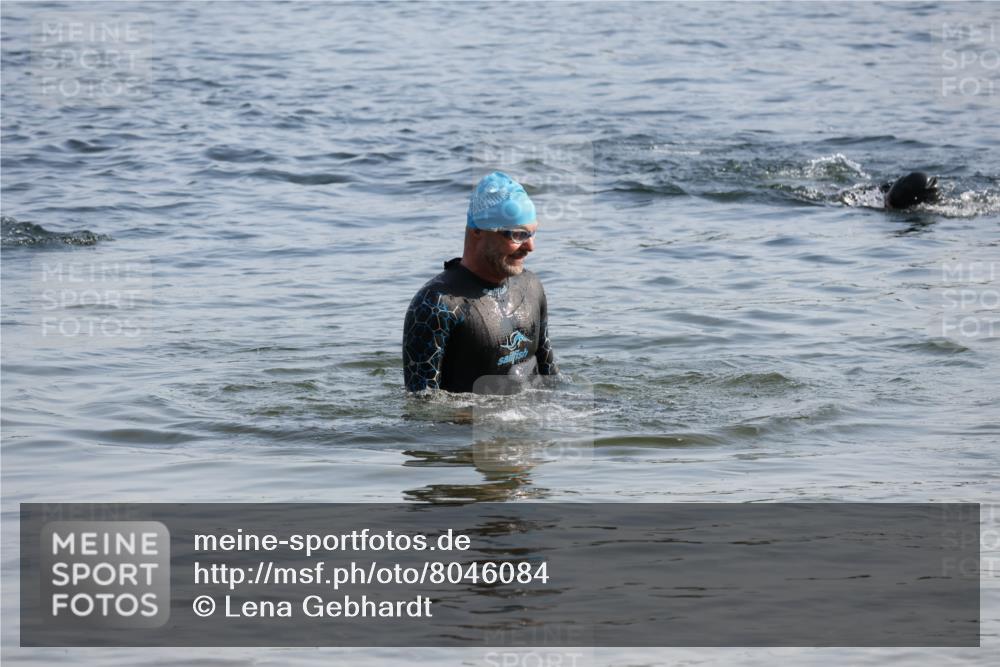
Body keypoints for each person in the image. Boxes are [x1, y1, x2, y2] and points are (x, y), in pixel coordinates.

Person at [403, 171, 557, 393]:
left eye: (532, 234)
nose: (530, 247)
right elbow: (422, 407)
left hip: (530, 422)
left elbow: (550, 376)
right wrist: (494, 418)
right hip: (472, 427)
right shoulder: (437, 305)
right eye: (517, 235)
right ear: (478, 231)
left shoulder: (531, 287)